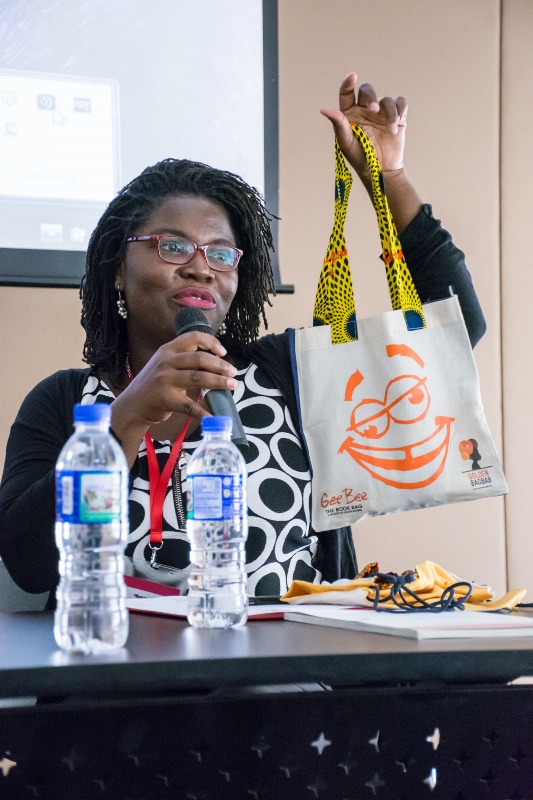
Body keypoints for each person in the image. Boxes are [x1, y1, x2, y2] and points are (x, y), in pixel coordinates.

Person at [0, 73, 485, 607]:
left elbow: (453, 333)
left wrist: (386, 176)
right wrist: (127, 417)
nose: (201, 268)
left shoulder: (288, 376)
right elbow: (27, 563)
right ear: (118, 267)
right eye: (172, 246)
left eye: (222, 252)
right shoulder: (65, 402)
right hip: (112, 682)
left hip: (276, 681)